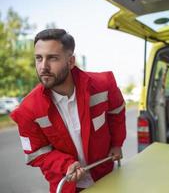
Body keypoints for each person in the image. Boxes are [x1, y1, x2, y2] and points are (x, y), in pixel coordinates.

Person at [10, 29, 126, 193]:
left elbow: (117, 112)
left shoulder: (104, 84)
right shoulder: (28, 109)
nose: (43, 66)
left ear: (71, 62)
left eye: (53, 58)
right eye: (38, 58)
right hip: (67, 186)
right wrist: (65, 164)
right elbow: (35, 153)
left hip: (107, 176)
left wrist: (117, 143)